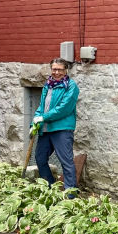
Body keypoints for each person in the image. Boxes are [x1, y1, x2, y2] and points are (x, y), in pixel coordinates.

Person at [32, 58, 80, 192]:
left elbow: (64, 108)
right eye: (54, 69)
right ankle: (51, 187)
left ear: (66, 70)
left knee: (66, 161)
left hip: (62, 128)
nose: (56, 72)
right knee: (40, 158)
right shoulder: (48, 85)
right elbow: (42, 106)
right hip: (46, 129)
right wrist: (35, 120)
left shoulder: (71, 86)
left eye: (59, 69)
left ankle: (70, 194)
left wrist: (43, 117)